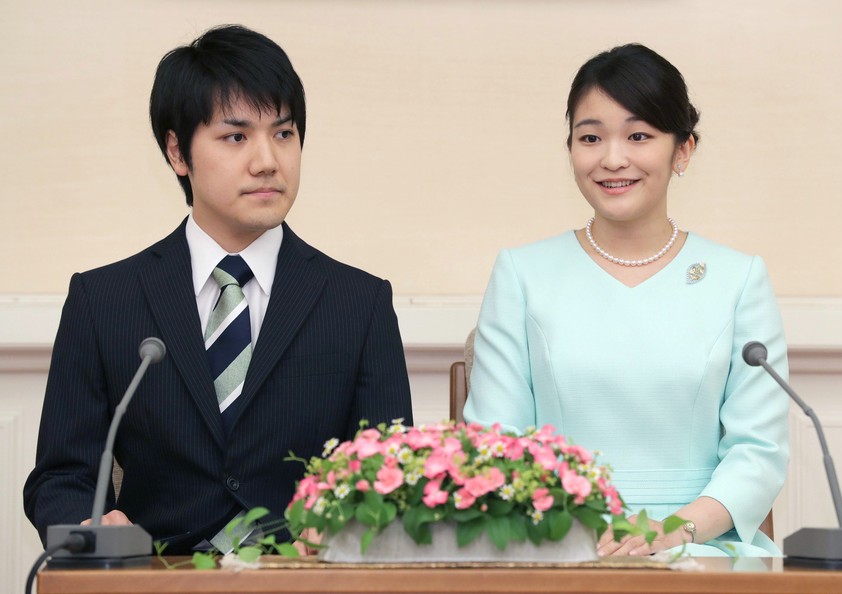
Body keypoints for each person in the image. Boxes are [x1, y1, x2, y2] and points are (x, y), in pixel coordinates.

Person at [23, 25, 413, 554]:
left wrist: (342, 529)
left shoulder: (359, 303)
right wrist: (95, 529)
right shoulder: (104, 301)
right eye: (236, 136)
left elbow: (388, 475)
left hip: (303, 579)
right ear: (177, 153)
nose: (267, 161)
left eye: (283, 133)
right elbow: (60, 477)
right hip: (155, 578)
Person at [463, 43, 788, 557]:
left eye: (639, 135)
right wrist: (575, 534)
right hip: (557, 547)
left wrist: (669, 532)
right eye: (590, 137)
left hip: (700, 547)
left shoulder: (738, 278)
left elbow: (758, 452)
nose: (612, 159)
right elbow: (494, 444)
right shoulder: (522, 273)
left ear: (683, 150)